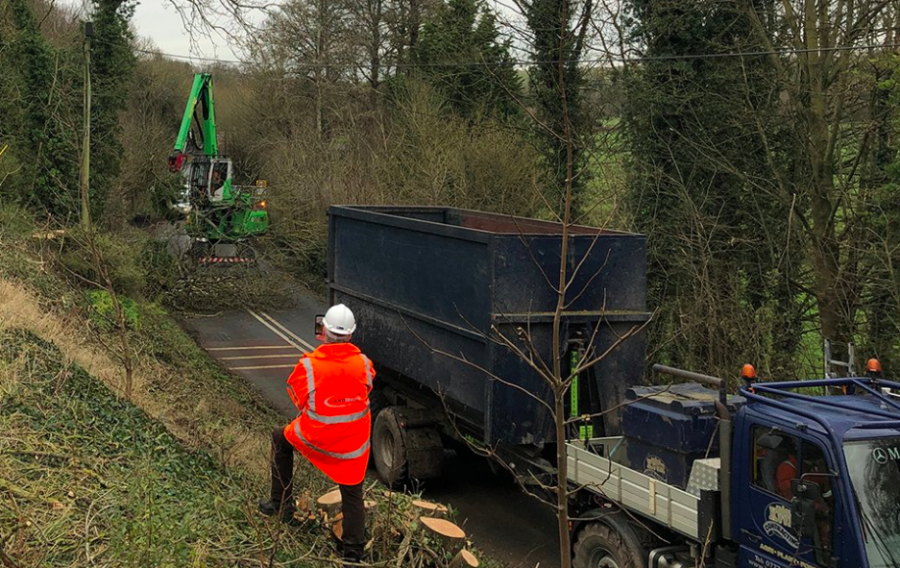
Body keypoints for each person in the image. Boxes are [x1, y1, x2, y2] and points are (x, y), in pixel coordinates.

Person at [258, 304, 375, 561]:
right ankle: (353, 552)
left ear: (323, 331)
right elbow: (365, 390)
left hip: (316, 438)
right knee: (352, 493)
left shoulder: (309, 366)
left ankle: (281, 505)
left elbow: (299, 400)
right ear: (351, 334)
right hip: (353, 446)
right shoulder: (365, 364)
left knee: (280, 438)